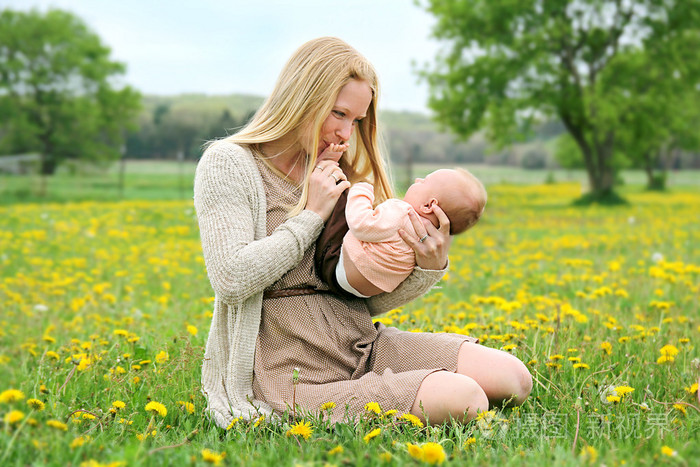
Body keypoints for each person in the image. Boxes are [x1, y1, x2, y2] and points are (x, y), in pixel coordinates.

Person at [194, 36, 532, 429]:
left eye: (356, 120)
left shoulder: (336, 172)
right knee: (467, 398)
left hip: (361, 344)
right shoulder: (229, 164)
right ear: (302, 97)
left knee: (513, 379)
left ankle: (386, 383)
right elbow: (231, 279)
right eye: (337, 113)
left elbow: (361, 294)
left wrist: (426, 267)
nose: (345, 134)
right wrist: (312, 216)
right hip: (291, 374)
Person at [323, 168, 486, 298]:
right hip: (368, 291)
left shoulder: (400, 212)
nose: (417, 180)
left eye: (424, 181)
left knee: (342, 204)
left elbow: (361, 224)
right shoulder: (428, 241)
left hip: (342, 269)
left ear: (429, 205)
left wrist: (360, 191)